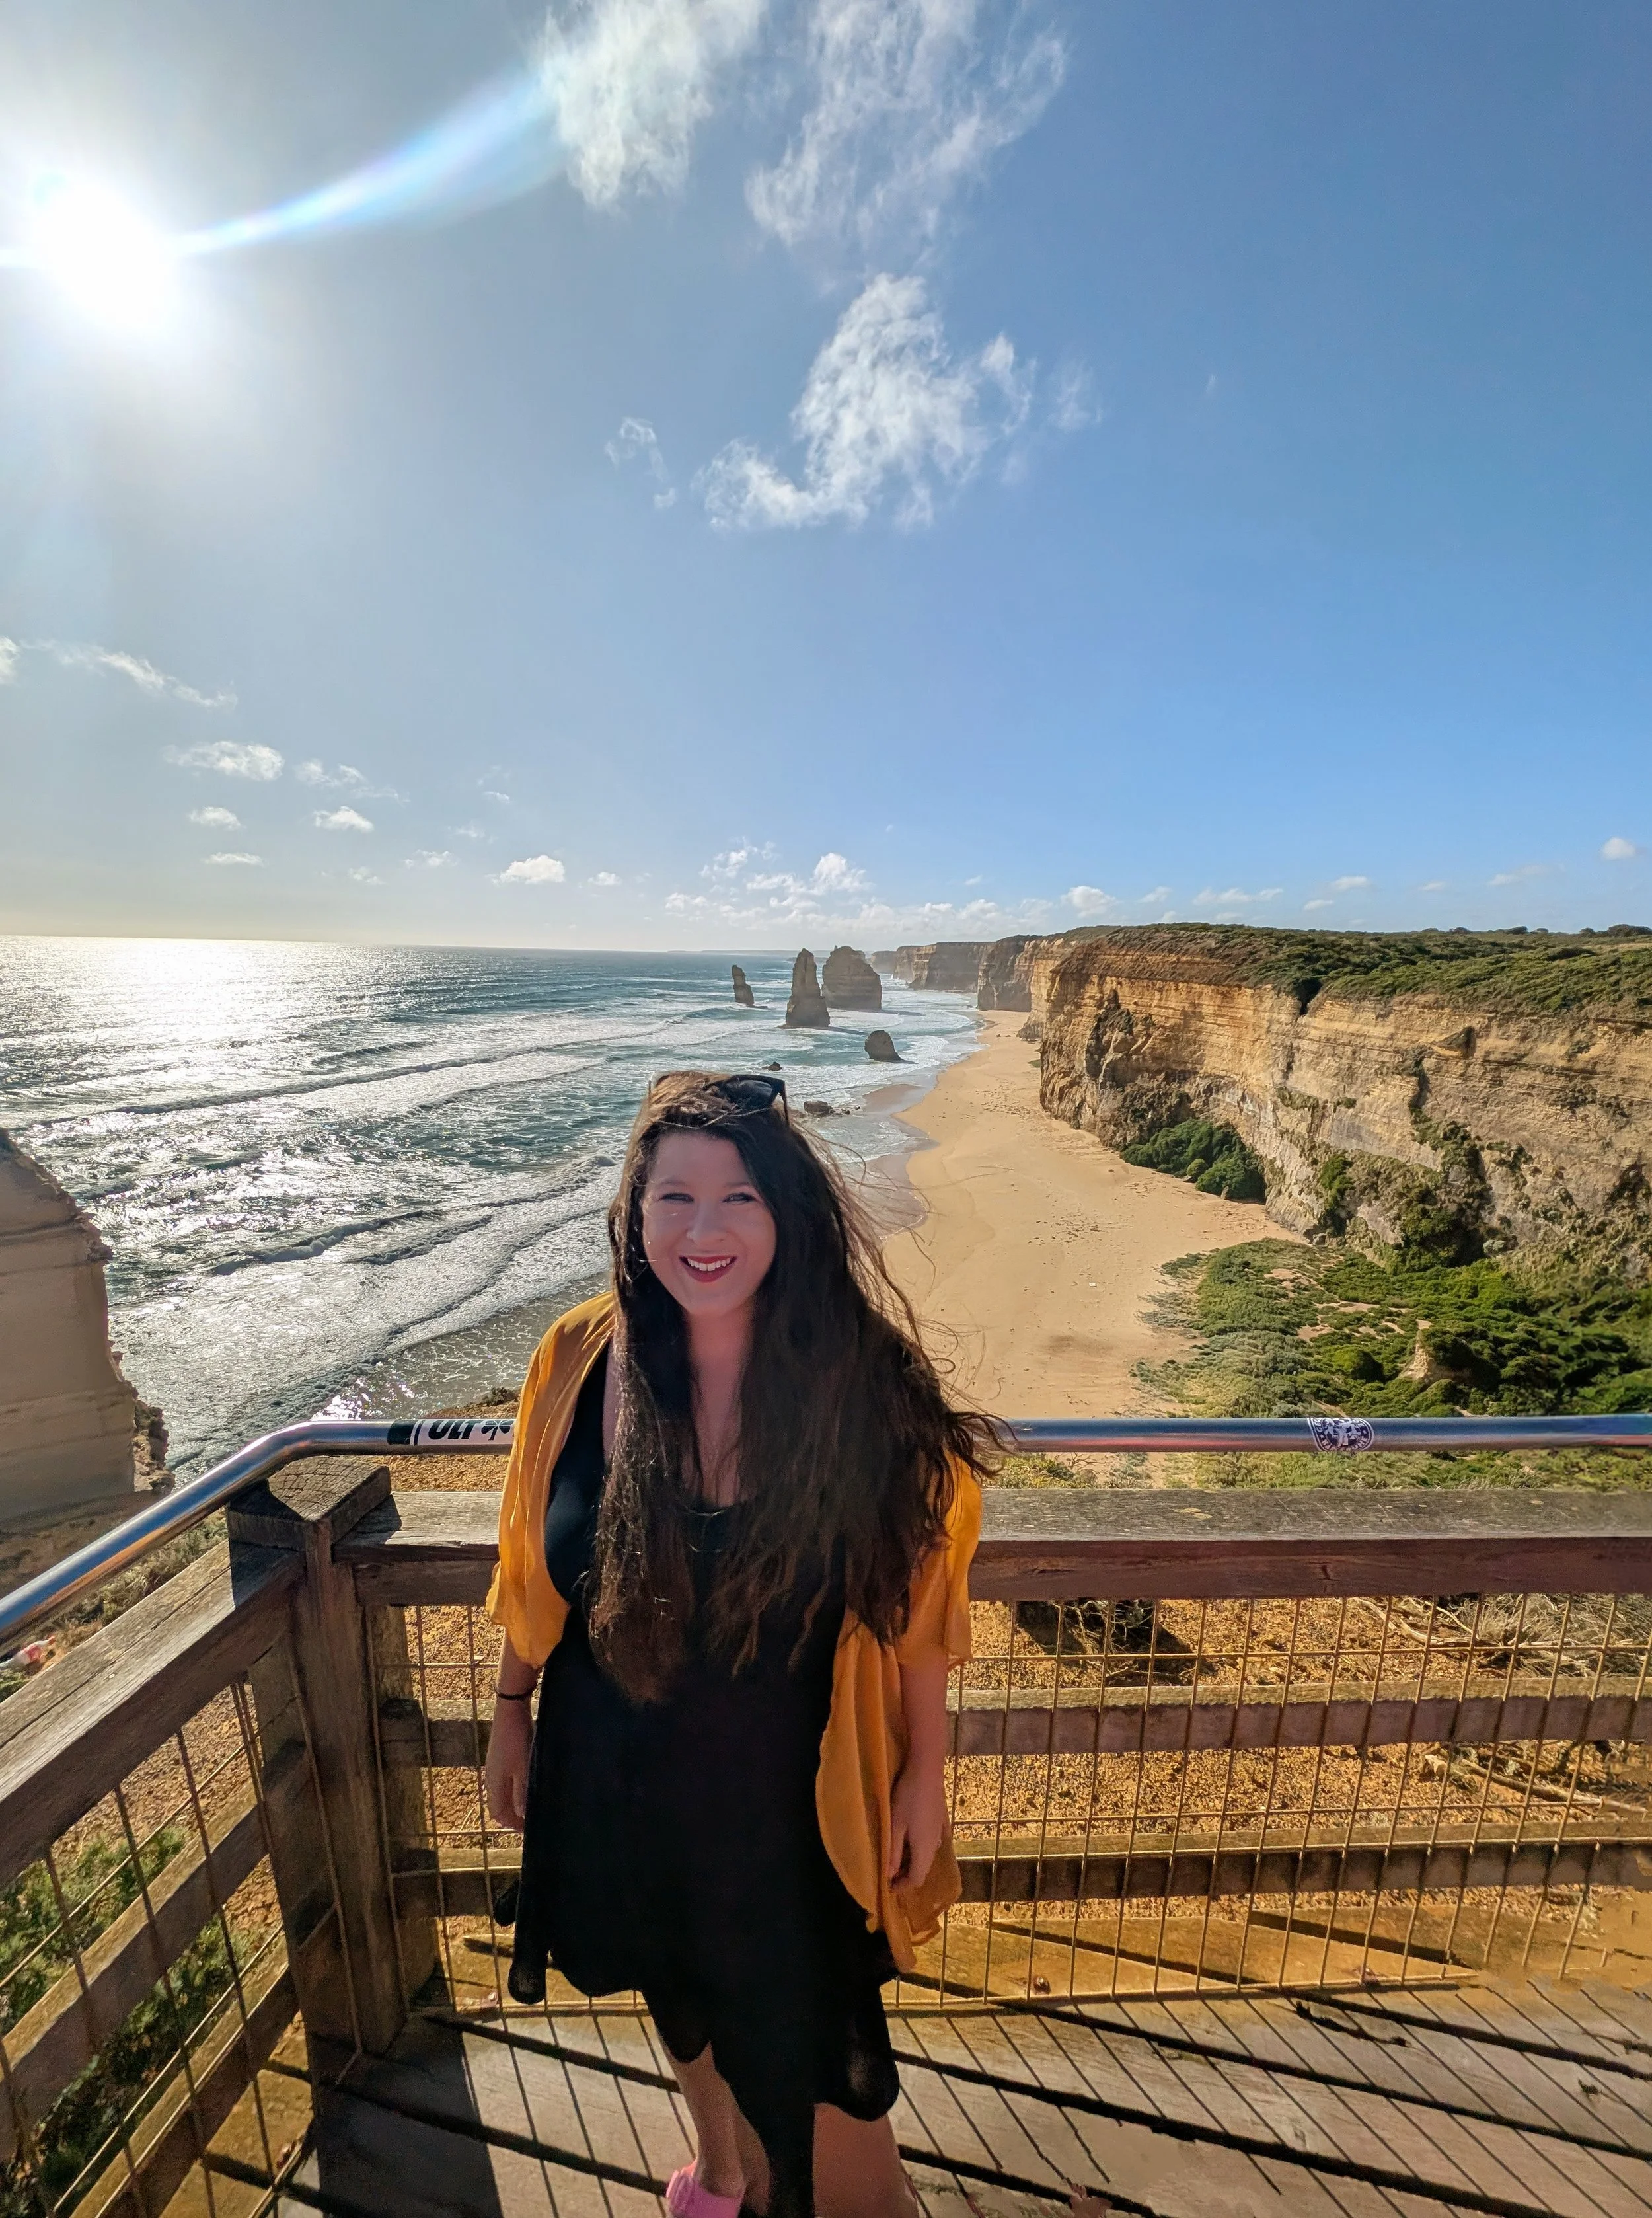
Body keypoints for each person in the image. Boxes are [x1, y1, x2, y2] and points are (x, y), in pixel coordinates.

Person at [484, 1070, 991, 2218]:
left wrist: (924, 1775)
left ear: (789, 1216)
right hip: (618, 1772)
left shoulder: (855, 1383)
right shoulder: (577, 1362)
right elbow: (530, 1554)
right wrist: (510, 1709)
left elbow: (919, 1598)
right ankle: (717, 2180)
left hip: (791, 1810)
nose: (702, 1232)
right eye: (675, 1199)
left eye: (740, 1199)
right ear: (634, 1211)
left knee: (838, 2120)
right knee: (677, 1987)